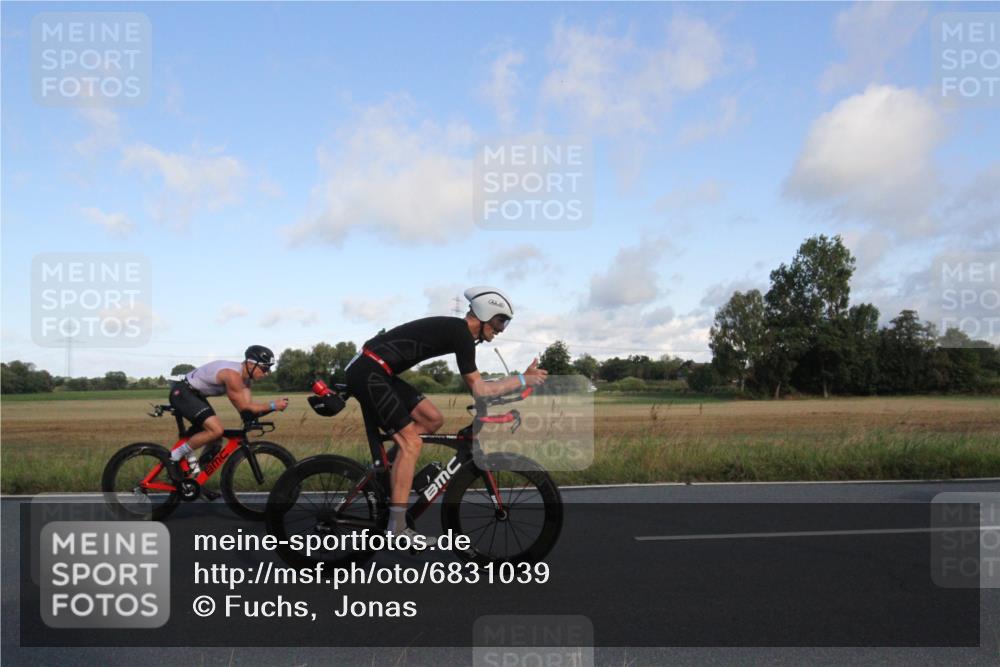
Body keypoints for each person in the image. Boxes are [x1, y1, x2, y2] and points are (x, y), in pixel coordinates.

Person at [345, 286, 547, 539]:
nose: (500, 329)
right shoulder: (461, 333)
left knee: (432, 419)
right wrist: (521, 380)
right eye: (500, 321)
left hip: (377, 370)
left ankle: (391, 472)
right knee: (411, 443)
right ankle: (396, 527)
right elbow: (480, 390)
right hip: (369, 371)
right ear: (486, 313)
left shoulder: (459, 334)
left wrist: (516, 383)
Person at [168, 345, 288, 475]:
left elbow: (247, 411)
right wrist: (273, 406)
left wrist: (265, 412)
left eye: (269, 369)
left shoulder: (246, 380)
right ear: (250, 363)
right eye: (264, 368)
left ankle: (198, 479)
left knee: (215, 440)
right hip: (183, 393)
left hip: (194, 395)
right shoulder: (232, 376)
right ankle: (174, 456)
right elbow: (244, 407)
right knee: (216, 430)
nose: (266, 373)